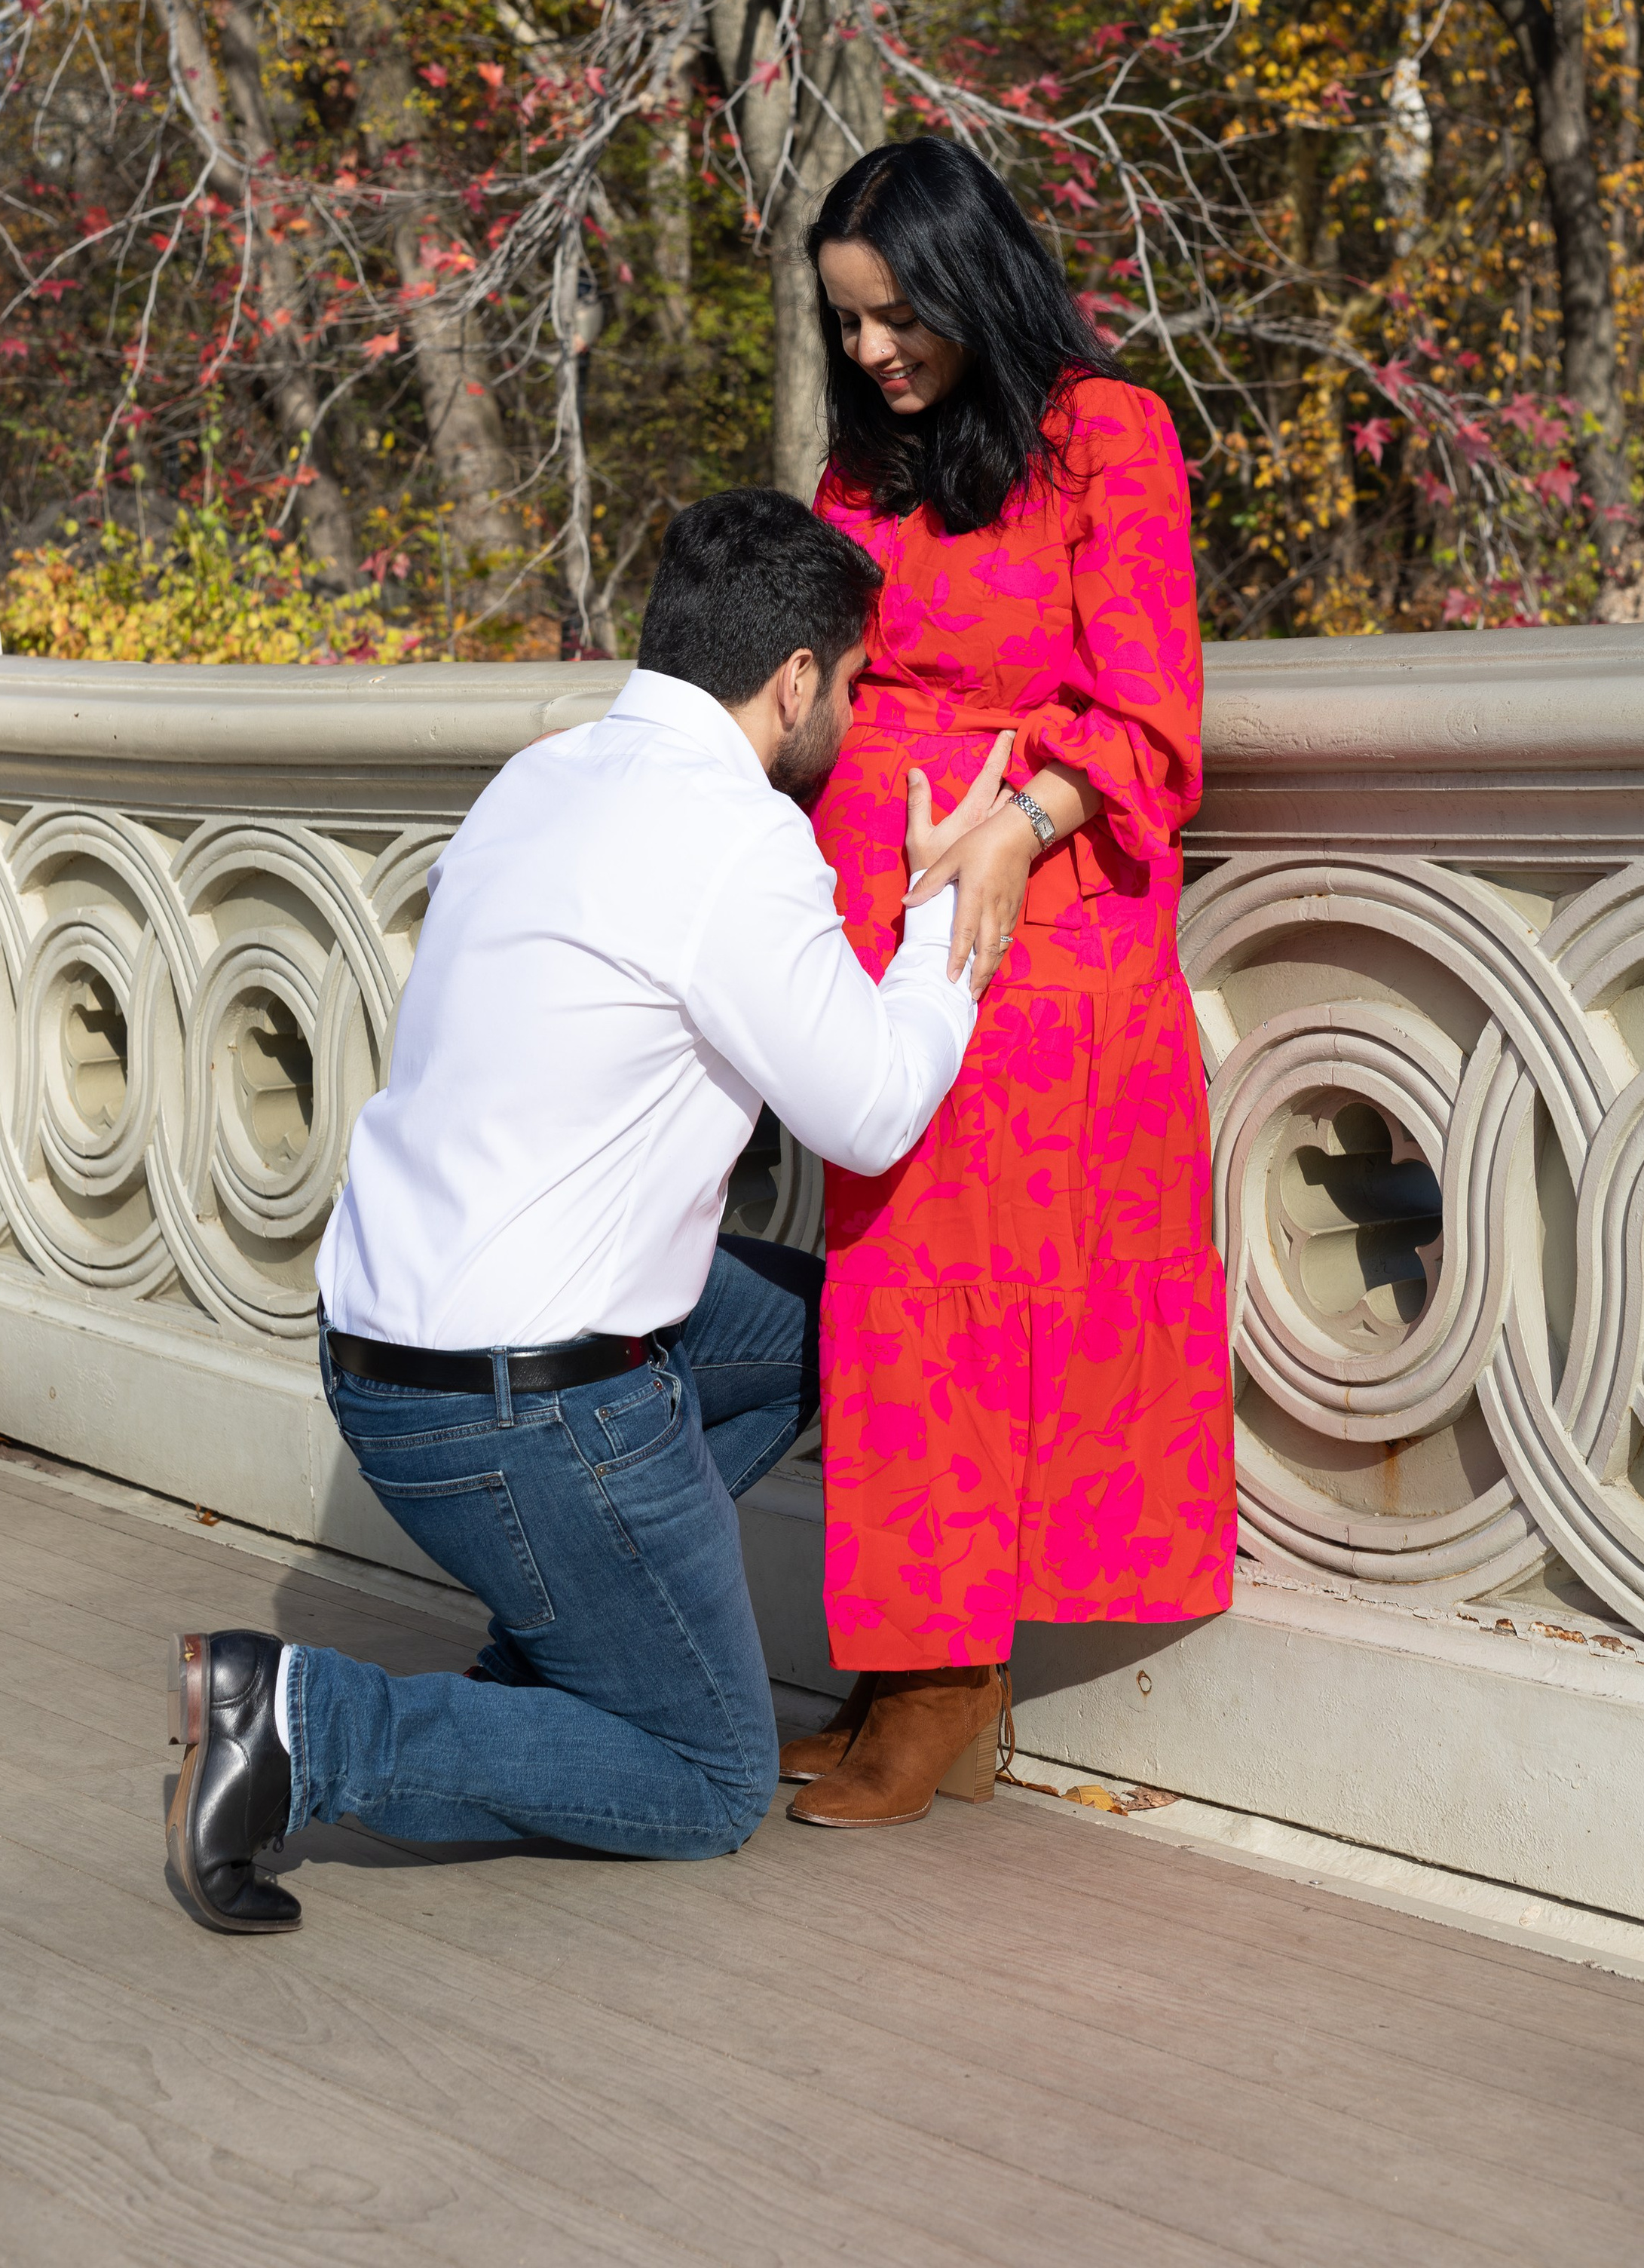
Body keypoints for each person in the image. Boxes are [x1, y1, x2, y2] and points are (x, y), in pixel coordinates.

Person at [164, 488, 1013, 1934]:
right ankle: (305, 1725)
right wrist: (947, 913)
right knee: (705, 1776)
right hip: (516, 1409)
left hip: (380, 1358)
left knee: (839, 1338)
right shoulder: (735, 838)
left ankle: (571, 1635)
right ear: (796, 679)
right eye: (855, 687)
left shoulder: (541, 777)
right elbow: (868, 1106)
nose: (858, 722)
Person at [779, 133, 1234, 1828]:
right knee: (888, 1311)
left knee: (965, 1313)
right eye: (845, 325)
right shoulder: (866, 468)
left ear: (973, 278)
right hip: (874, 939)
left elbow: (1148, 708)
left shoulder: (1102, 435)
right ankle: (902, 1659)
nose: (874, 353)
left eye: (897, 314)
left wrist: (1010, 822)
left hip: (1032, 937)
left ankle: (950, 1679)